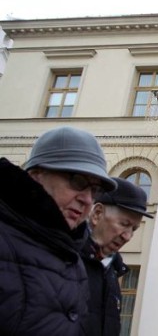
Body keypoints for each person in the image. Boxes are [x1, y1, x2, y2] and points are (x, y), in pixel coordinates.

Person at [0, 126, 116, 336]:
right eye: (78, 181)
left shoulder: (74, 258)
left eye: (94, 190)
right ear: (35, 176)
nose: (88, 199)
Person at [81, 177, 154, 336]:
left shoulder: (113, 272)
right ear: (97, 214)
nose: (128, 236)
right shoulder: (65, 259)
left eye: (134, 229)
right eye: (124, 224)